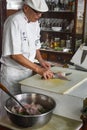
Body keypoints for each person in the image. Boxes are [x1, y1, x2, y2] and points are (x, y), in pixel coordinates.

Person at [0, 0, 54, 118]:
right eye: (37, 13)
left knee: (25, 109)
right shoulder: (13, 21)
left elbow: (35, 46)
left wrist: (41, 61)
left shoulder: (35, 22)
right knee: (9, 110)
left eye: (41, 13)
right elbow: (15, 55)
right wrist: (38, 69)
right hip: (12, 75)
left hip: (27, 73)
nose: (39, 16)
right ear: (25, 8)